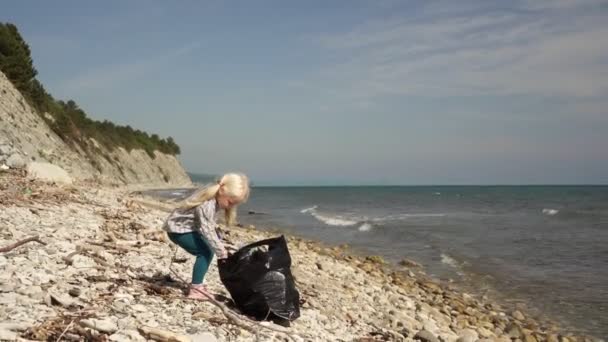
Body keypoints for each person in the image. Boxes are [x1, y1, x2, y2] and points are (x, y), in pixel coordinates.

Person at [163, 172, 250, 300]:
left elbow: (208, 225)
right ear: (222, 191)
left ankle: (198, 285)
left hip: (185, 228)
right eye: (230, 202)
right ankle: (196, 289)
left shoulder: (213, 198)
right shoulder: (207, 205)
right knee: (205, 252)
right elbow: (207, 230)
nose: (231, 206)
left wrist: (219, 242)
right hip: (178, 230)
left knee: (208, 248)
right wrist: (221, 252)